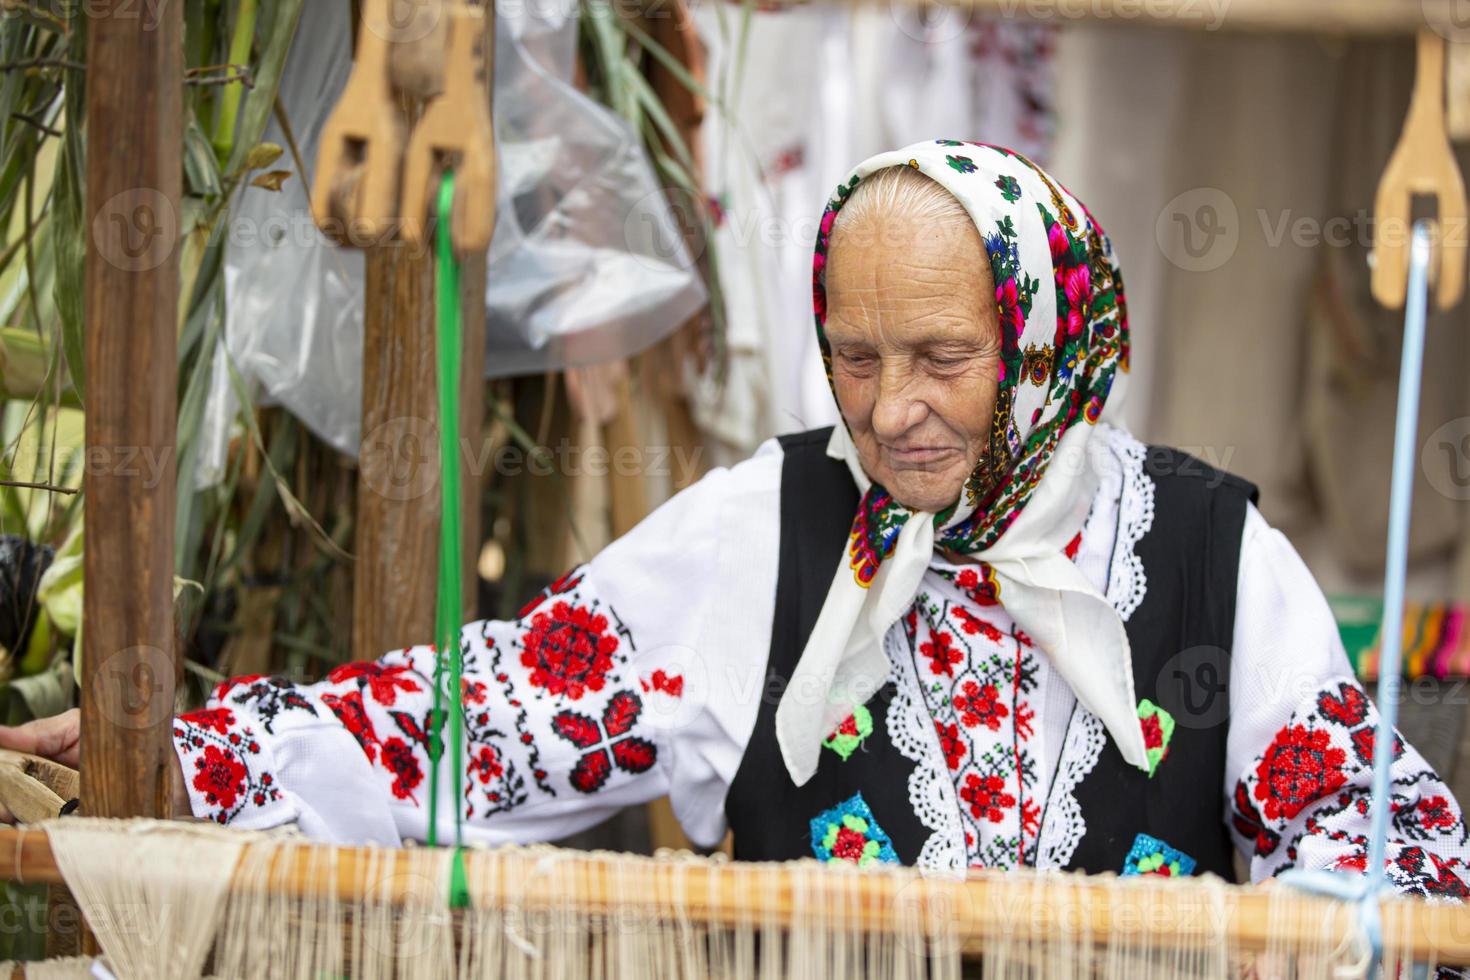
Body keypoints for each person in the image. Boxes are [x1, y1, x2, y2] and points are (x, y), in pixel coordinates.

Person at [4, 140, 1467, 892]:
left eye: (944, 360)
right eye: (854, 353)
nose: (890, 409)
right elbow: (488, 720)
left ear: (1050, 344)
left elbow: (1371, 845)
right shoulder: (768, 529)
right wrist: (180, 756)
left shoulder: (1211, 559)